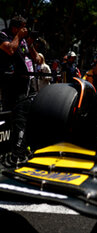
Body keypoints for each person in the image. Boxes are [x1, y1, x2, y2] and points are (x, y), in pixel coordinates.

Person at [0, 16, 40, 166]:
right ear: (15, 27)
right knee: (9, 118)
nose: (26, 30)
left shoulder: (23, 40)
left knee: (21, 119)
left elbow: (37, 60)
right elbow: (10, 49)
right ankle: (10, 152)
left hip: (23, 85)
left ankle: (18, 152)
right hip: (9, 84)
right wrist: (18, 36)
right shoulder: (3, 35)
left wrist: (30, 44)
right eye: (23, 27)